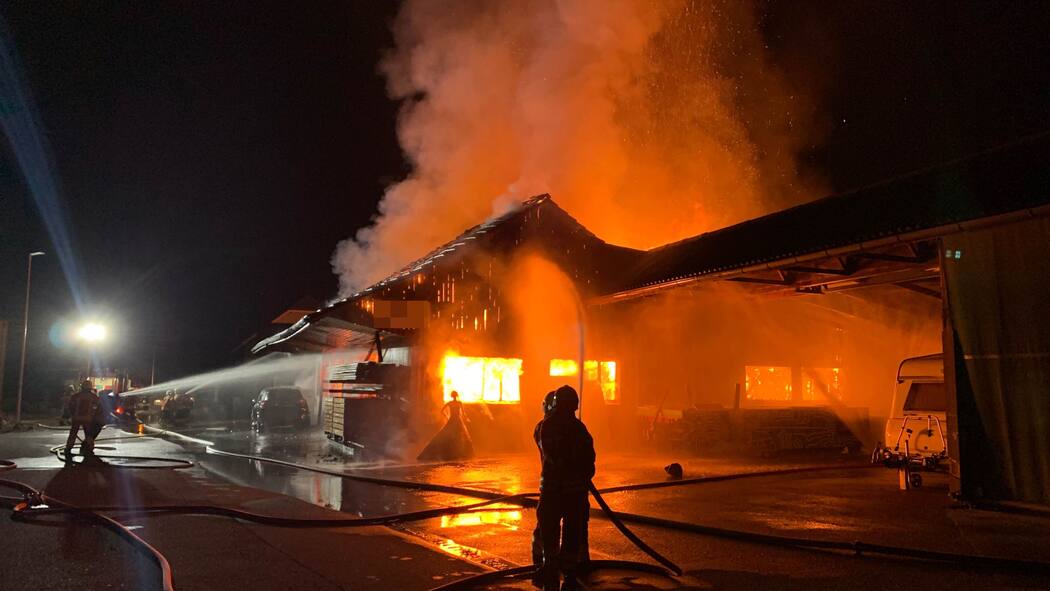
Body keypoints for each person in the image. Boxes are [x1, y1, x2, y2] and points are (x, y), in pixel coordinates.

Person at [535, 385, 595, 591]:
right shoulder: (579, 428)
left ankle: (553, 569)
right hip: (574, 495)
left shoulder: (547, 426)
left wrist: (573, 468)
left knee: (552, 531)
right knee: (571, 532)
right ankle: (568, 573)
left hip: (554, 493)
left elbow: (551, 454)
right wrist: (582, 472)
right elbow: (590, 458)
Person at [417, 390, 474, 461]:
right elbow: (463, 413)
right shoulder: (459, 403)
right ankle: (458, 453)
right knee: (459, 436)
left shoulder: (450, 403)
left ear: (452, 396)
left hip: (452, 419)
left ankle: (453, 452)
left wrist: (447, 416)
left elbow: (442, 411)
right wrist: (466, 419)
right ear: (456, 396)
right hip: (457, 420)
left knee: (448, 434)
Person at [64, 380, 102, 461]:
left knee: (73, 434)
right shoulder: (94, 397)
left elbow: (70, 406)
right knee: (88, 435)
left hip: (76, 418)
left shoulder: (76, 396)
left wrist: (71, 415)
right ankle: (89, 449)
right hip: (87, 419)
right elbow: (98, 407)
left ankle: (68, 448)